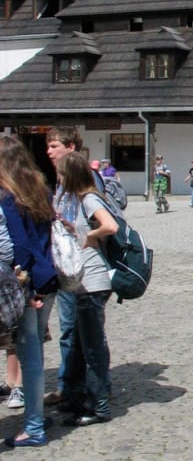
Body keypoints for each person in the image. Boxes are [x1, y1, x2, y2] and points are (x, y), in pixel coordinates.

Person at [0, 136, 58, 447]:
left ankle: (34, 427)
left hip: (27, 284)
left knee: (29, 354)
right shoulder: (40, 189)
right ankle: (35, 414)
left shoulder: (9, 197)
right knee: (34, 352)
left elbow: (18, 246)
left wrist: (22, 282)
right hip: (47, 278)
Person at [56, 152, 118, 426]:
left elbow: (110, 226)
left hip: (93, 283)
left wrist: (88, 236)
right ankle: (86, 399)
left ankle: (99, 407)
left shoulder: (90, 198)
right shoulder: (80, 200)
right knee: (84, 346)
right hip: (84, 284)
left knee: (92, 349)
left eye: (61, 174)